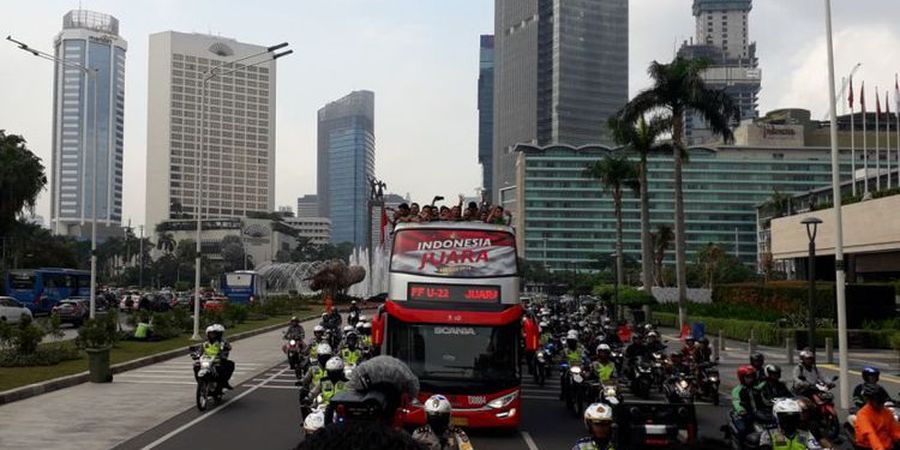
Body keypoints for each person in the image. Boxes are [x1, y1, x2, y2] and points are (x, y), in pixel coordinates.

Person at [854, 383, 900, 450]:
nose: (881, 405)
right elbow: (871, 435)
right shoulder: (863, 415)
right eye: (878, 402)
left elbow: (895, 431)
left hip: (887, 445)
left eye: (882, 402)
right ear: (870, 401)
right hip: (868, 446)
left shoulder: (887, 412)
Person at [732, 365, 768, 446]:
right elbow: (736, 401)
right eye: (748, 377)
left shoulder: (756, 388)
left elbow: (765, 399)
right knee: (742, 430)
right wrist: (741, 410)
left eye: (752, 376)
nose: (751, 379)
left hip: (759, 415)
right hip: (744, 415)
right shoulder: (737, 390)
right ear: (742, 377)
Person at [195, 324, 234, 391]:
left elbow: (228, 347)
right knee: (196, 366)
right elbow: (200, 350)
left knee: (230, 365)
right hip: (206, 360)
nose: (212, 335)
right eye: (211, 334)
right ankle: (200, 382)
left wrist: (225, 349)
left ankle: (224, 382)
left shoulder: (222, 341)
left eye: (214, 334)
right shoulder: (205, 342)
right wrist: (196, 355)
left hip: (218, 361)